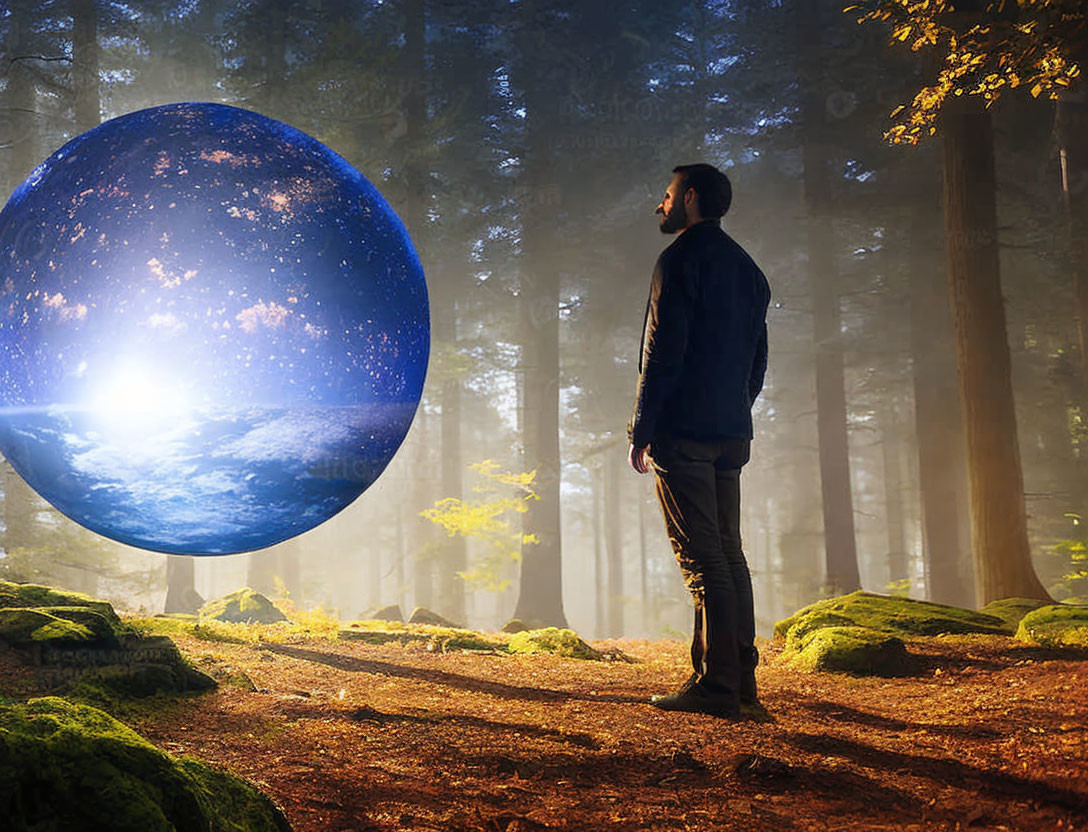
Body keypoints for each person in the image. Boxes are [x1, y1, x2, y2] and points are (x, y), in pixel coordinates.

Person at [627, 163, 770, 720]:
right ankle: (739, 685)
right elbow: (758, 360)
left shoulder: (679, 261)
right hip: (731, 433)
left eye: (665, 196)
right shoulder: (748, 269)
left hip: (683, 432)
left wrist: (643, 429)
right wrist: (735, 409)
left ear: (689, 198)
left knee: (703, 558)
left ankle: (716, 688)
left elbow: (661, 354)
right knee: (729, 555)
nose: (658, 206)